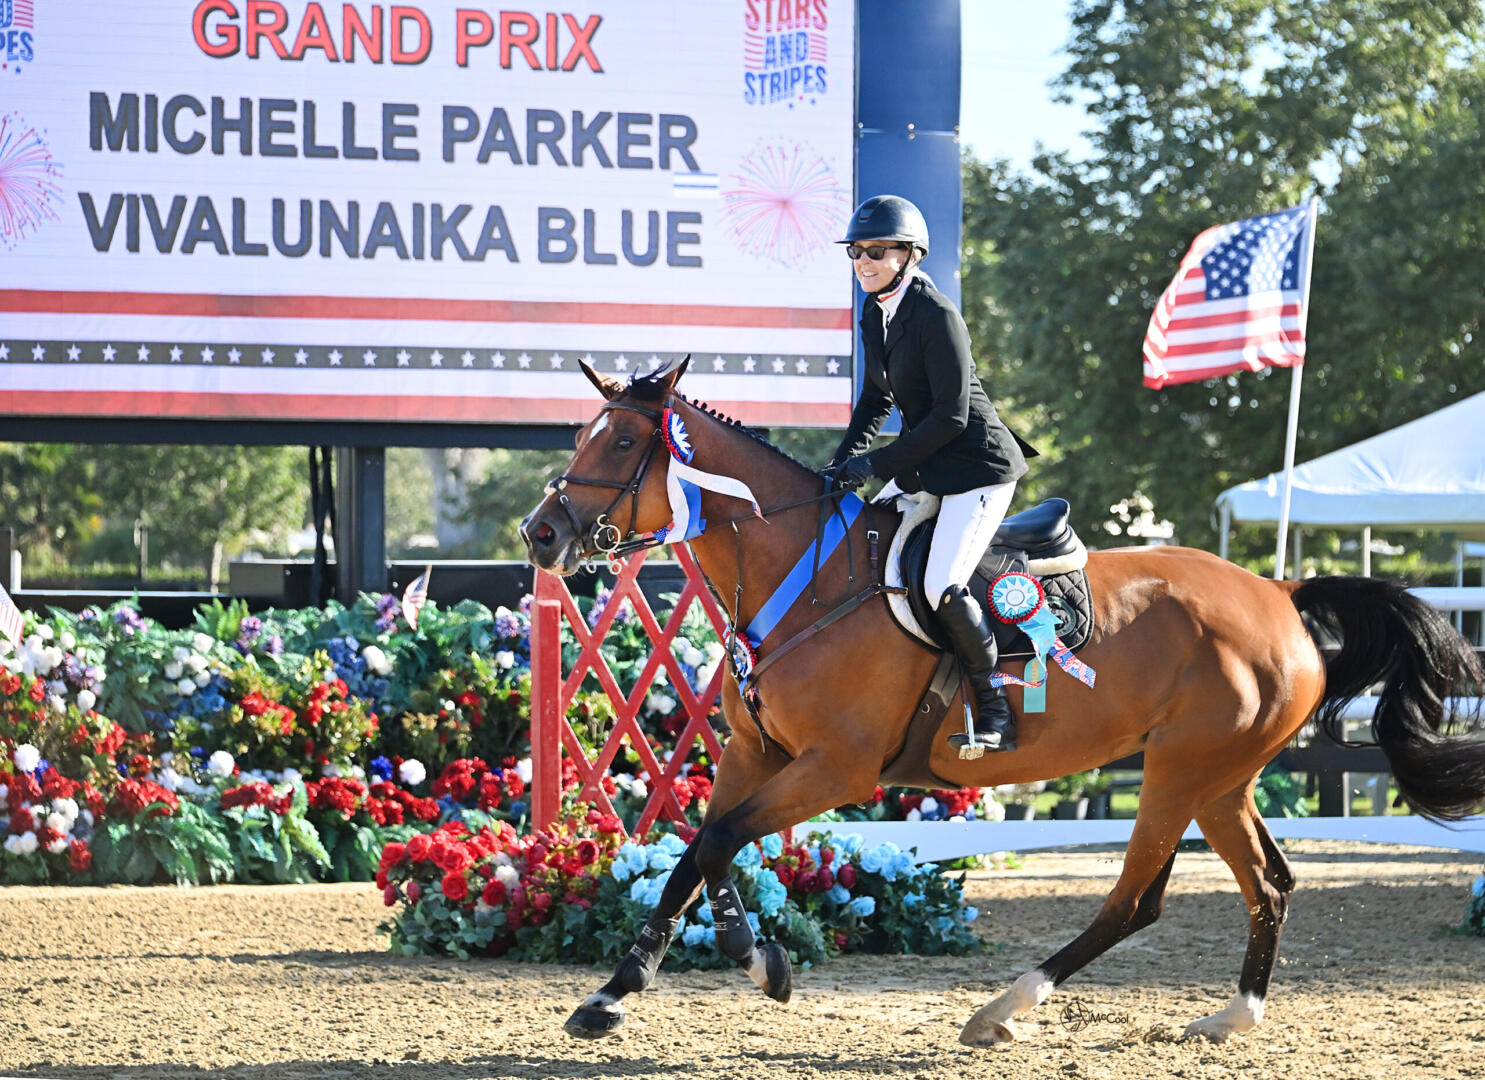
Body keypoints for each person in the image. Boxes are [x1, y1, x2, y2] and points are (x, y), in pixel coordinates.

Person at [826, 194, 1037, 755]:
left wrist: (876, 465)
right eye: (855, 251)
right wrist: (840, 463)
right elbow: (874, 400)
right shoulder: (876, 312)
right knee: (870, 544)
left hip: (978, 468)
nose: (862, 262)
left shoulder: (936, 314)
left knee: (940, 584)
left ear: (909, 254)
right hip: (931, 465)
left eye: (876, 251)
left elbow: (951, 416)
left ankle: (995, 712)